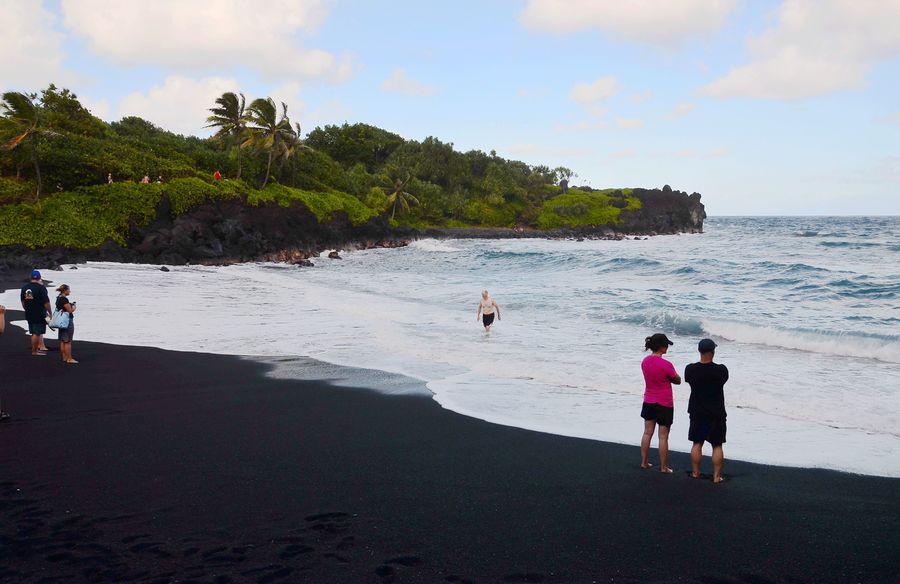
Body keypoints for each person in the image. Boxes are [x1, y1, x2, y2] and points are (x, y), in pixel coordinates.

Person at [685, 339, 729, 483]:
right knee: (717, 445)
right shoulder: (721, 370)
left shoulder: (690, 369)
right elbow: (723, 380)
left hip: (697, 410)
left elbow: (688, 380)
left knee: (697, 443)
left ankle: (696, 473)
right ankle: (716, 476)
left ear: (699, 351)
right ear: (712, 352)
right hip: (716, 411)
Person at [640, 333, 681, 473]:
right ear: (661, 346)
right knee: (663, 436)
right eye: (666, 345)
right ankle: (664, 467)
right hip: (664, 402)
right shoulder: (666, 364)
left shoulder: (645, 361)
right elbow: (677, 380)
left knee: (647, 433)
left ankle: (644, 462)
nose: (667, 347)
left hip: (649, 400)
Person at [20, 270, 52, 356]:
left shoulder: (24, 288)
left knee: (33, 332)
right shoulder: (41, 288)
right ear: (39, 278)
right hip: (39, 313)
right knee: (36, 333)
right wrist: (50, 312)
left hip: (29, 312)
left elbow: (23, 302)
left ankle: (35, 350)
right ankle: (34, 351)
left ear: (30, 278)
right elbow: (46, 302)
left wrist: (27, 309)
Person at [55, 284, 78, 364]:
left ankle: (65, 357)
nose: (69, 291)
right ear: (65, 290)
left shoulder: (58, 298)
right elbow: (69, 310)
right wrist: (74, 307)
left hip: (61, 321)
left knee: (63, 340)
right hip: (66, 321)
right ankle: (69, 358)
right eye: (68, 290)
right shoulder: (64, 299)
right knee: (68, 341)